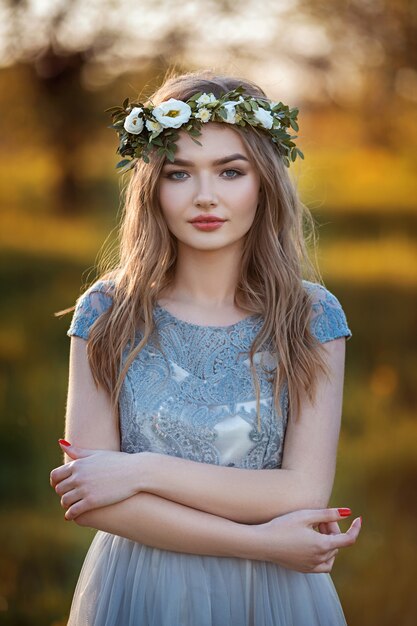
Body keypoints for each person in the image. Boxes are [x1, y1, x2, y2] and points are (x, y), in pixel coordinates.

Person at [50, 69, 361, 626]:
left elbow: (302, 490)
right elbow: (93, 498)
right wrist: (263, 543)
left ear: (263, 181)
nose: (205, 197)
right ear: (152, 185)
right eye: (179, 173)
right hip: (142, 588)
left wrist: (140, 470)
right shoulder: (107, 310)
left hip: (269, 598)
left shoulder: (310, 316)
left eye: (230, 170)